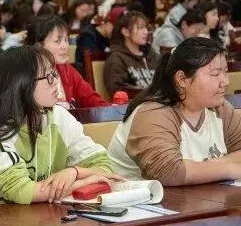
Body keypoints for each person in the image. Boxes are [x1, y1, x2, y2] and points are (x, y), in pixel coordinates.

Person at [0, 46, 119, 208]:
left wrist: (74, 172)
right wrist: (84, 182)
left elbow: (104, 164)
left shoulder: (58, 116)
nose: (56, 82)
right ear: (22, 84)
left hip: (40, 216)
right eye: (48, 77)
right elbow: (21, 190)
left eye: (54, 74)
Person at [108, 37, 241, 185]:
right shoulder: (153, 112)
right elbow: (167, 171)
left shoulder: (220, 107)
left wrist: (206, 167)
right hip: (138, 198)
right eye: (215, 74)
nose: (225, 82)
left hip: (199, 196)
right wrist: (229, 169)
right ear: (182, 79)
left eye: (226, 72)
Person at [26, 15, 109, 108]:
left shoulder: (67, 70)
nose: (65, 46)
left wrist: (113, 110)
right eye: (57, 41)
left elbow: (90, 98)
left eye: (66, 39)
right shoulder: (28, 76)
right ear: (38, 46)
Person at [103, 11, 159, 95]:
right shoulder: (116, 58)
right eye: (140, 28)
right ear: (126, 32)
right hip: (137, 102)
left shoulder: (150, 53)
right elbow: (118, 90)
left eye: (146, 28)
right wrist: (149, 94)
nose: (146, 32)